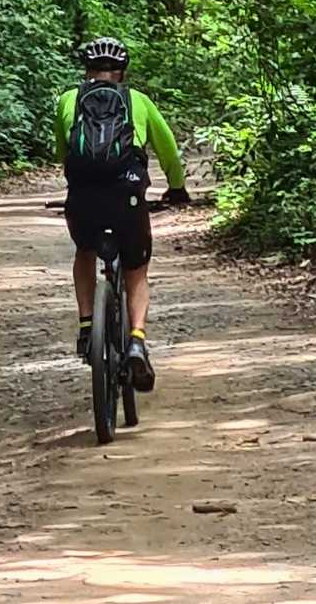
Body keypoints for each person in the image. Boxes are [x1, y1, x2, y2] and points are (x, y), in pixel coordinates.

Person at [54, 36, 189, 392]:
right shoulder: (138, 102)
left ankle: (87, 327)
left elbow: (63, 151)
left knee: (85, 251)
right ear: (122, 72)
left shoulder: (68, 100)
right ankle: (136, 342)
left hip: (83, 197)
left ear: (86, 71)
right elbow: (169, 151)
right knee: (135, 267)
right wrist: (176, 188)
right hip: (126, 197)